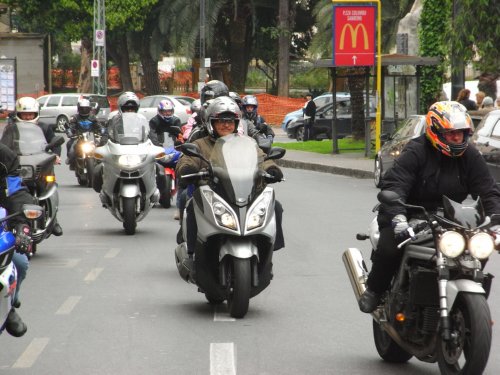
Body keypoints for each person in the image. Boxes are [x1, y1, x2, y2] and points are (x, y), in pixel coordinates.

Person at [358, 101, 500, 313]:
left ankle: (464, 302)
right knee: (390, 248)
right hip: (409, 212)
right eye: (451, 134)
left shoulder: (469, 155)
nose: (457, 138)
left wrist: (496, 219)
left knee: (477, 250)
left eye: (461, 134)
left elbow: (488, 190)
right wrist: (398, 218)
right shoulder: (416, 151)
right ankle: (374, 290)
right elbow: (396, 185)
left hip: (450, 217)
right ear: (435, 132)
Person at [175, 96, 285, 262]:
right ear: (211, 123)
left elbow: (261, 158)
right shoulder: (200, 144)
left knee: (274, 204)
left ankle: (268, 248)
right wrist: (187, 169)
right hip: (212, 193)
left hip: (243, 192)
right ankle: (192, 252)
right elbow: (186, 160)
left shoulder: (246, 143)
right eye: (220, 121)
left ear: (236, 123)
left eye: (230, 121)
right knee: (192, 205)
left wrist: (272, 169)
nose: (226, 125)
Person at [1, 97, 63, 236]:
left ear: (36, 114)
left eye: (31, 114)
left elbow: (55, 142)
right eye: (25, 114)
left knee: (50, 183)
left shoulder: (44, 127)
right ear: (19, 114)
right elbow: (4, 145)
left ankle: (54, 219)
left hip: (40, 162)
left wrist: (55, 156)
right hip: (19, 162)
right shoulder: (11, 128)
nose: (28, 117)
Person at [0, 142, 37, 337]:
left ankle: (8, 307)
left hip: (0, 224)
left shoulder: (4, 156)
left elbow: (16, 194)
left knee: (19, 262)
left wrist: (22, 227)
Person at [65, 98, 105, 169]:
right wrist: (70, 132)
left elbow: (99, 126)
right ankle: (71, 161)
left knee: (102, 146)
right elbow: (71, 127)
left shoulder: (92, 117)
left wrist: (102, 131)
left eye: (86, 109)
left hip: (91, 138)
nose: (84, 110)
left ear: (89, 109)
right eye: (82, 109)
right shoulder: (75, 117)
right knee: (70, 146)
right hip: (78, 138)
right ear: (78, 109)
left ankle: (101, 162)